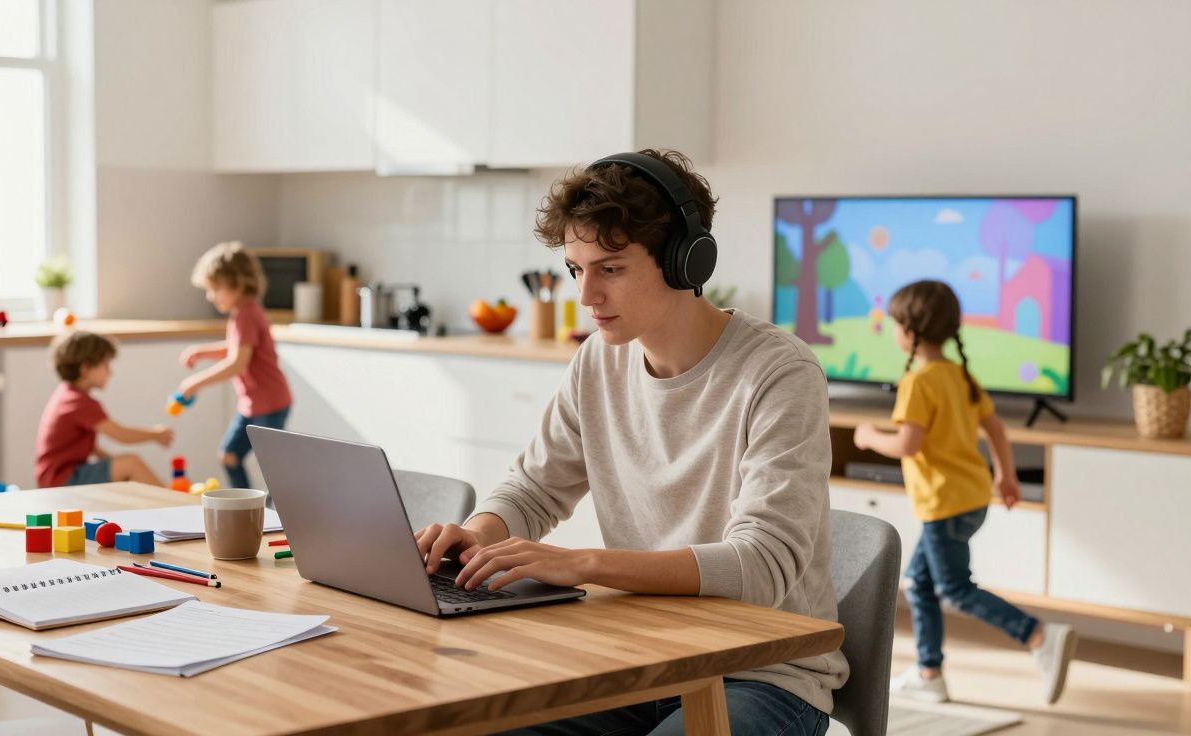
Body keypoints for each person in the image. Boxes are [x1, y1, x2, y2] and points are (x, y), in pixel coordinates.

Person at [415, 149, 846, 735]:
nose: (586, 294)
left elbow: (762, 565)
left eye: (610, 269)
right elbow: (537, 487)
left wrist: (583, 564)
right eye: (575, 269)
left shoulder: (779, 374)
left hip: (764, 674)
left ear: (684, 262)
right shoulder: (598, 360)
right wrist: (481, 534)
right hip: (639, 659)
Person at [853, 279, 1076, 705]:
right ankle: (929, 672)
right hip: (972, 498)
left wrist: (867, 436)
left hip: (944, 504)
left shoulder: (919, 383)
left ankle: (1037, 634)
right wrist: (1006, 475)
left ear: (911, 332)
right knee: (919, 582)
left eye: (897, 323)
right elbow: (995, 427)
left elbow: (907, 445)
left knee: (954, 588)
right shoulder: (959, 375)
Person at [180, 242, 292, 489]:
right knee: (229, 456)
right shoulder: (243, 313)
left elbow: (236, 363)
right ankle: (244, 507)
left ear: (237, 283)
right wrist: (202, 352)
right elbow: (237, 348)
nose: (211, 296)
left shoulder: (247, 314)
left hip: (270, 404)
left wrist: (194, 383)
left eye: (215, 288)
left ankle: (277, 514)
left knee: (274, 466)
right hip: (253, 404)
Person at [34, 331, 173, 488]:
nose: (110, 372)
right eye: (105, 365)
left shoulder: (67, 395)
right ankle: (177, 504)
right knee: (131, 463)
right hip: (62, 479)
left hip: (57, 477)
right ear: (85, 368)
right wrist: (156, 434)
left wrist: (111, 462)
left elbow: (87, 446)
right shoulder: (79, 402)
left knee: (125, 466)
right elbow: (121, 435)